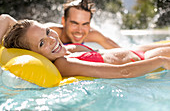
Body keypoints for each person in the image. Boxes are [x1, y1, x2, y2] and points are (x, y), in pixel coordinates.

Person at [2, 18, 170, 79]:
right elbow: (122, 73)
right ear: (34, 54)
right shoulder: (63, 64)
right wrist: (160, 61)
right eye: (41, 43)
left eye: (47, 32)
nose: (52, 39)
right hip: (141, 59)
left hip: (134, 49)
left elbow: (5, 19)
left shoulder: (62, 49)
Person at [46, 0, 120, 49]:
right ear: (63, 21)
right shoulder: (50, 32)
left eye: (85, 24)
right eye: (74, 23)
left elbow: (122, 51)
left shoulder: (93, 35)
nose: (79, 31)